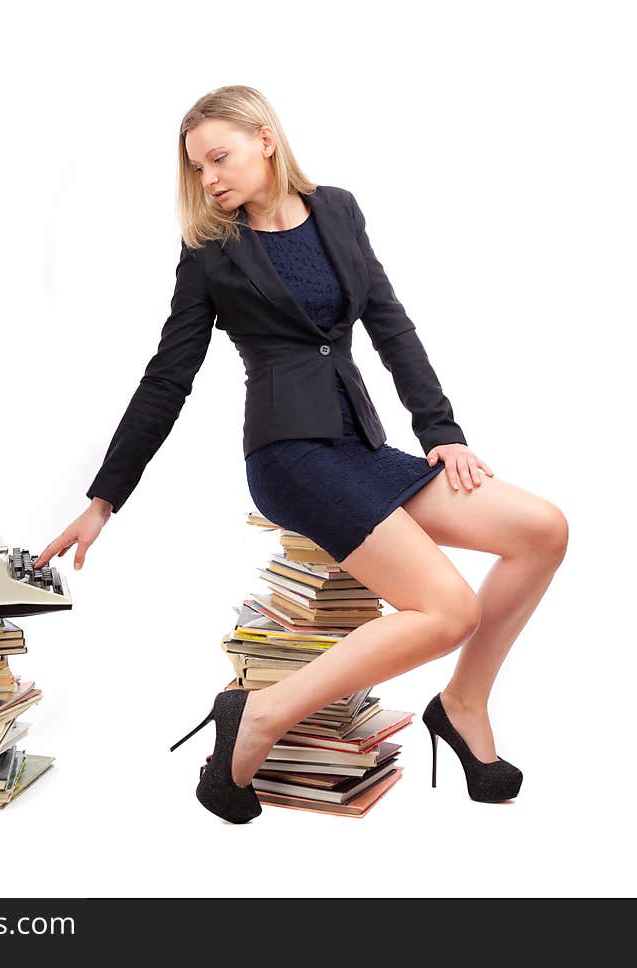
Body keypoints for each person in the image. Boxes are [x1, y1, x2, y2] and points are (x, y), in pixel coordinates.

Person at [32, 85, 568, 823]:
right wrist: (104, 500)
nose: (209, 178)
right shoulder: (211, 253)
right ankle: (258, 715)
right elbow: (168, 378)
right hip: (290, 456)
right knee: (449, 609)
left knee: (543, 530)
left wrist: (440, 432)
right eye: (198, 168)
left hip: (362, 444)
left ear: (265, 140)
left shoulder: (339, 210)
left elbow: (389, 323)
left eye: (219, 157)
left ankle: (464, 702)